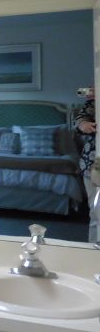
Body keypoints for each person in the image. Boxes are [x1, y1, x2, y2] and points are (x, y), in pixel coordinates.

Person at [75, 95, 97, 242]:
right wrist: (83, 124)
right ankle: (93, 252)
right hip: (93, 162)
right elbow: (80, 119)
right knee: (96, 213)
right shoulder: (95, 100)